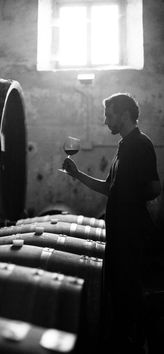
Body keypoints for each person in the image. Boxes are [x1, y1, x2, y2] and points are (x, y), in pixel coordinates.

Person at [62, 93, 161, 354]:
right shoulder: (123, 146)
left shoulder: (141, 144)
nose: (106, 121)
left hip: (131, 231)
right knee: (119, 290)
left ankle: (139, 343)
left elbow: (154, 187)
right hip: (118, 230)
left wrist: (129, 200)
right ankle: (125, 341)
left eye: (109, 115)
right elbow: (109, 188)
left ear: (124, 114)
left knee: (131, 289)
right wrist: (77, 174)